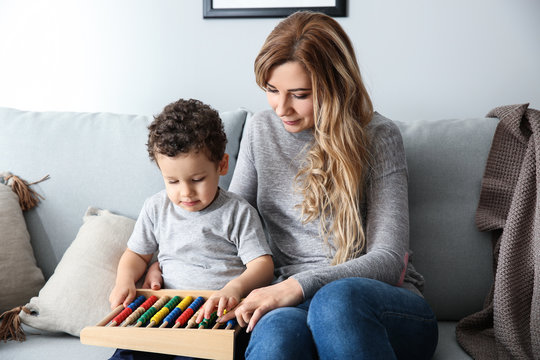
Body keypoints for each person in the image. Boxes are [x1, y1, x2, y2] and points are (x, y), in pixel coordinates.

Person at [214, 11, 439, 360]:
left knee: (336, 302)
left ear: (335, 85)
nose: (282, 108)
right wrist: (158, 260)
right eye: (272, 90)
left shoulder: (379, 137)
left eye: (300, 94)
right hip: (292, 303)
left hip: (377, 304)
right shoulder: (261, 131)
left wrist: (297, 286)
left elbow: (389, 259)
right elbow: (229, 224)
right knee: (276, 337)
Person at [108, 98, 273, 360]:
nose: (185, 192)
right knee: (128, 355)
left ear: (221, 165)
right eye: (172, 181)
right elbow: (137, 255)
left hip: (216, 319)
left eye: (197, 179)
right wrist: (125, 280)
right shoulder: (155, 208)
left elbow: (262, 264)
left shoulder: (238, 212)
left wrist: (235, 287)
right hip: (166, 313)